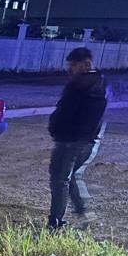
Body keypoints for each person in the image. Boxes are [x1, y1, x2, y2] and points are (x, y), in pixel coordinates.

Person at [47, 46, 109, 229]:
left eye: (73, 65)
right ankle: (85, 213)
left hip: (71, 140)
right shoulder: (99, 84)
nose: (69, 69)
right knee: (72, 176)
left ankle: (55, 222)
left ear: (86, 64)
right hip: (83, 140)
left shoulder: (81, 85)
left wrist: (56, 127)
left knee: (59, 179)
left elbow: (68, 113)